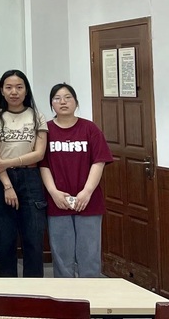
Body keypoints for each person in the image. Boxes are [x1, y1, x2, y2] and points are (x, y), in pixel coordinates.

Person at [39, 83, 113, 278]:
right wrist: (53, 192)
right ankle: (66, 295)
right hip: (58, 201)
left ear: (76, 102)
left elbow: (99, 162)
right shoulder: (46, 130)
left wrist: (87, 192)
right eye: (57, 98)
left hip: (88, 201)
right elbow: (43, 165)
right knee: (61, 256)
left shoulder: (90, 129)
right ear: (51, 104)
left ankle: (90, 294)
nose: (63, 102)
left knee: (89, 255)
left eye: (68, 97)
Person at [0, 69, 48, 278]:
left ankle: (33, 293)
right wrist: (7, 185)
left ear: (26, 90)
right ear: (2, 90)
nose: (14, 92)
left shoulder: (37, 116)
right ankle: (7, 292)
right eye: (9, 87)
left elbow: (39, 154)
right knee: (4, 242)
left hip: (30, 180)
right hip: (1, 181)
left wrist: (9, 162)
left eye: (19, 87)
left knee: (33, 241)